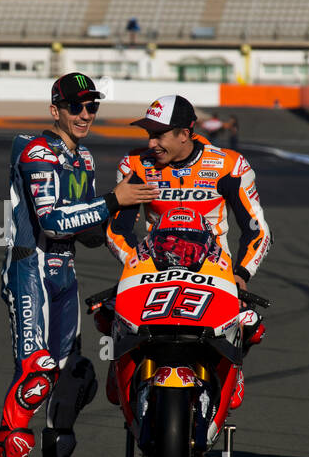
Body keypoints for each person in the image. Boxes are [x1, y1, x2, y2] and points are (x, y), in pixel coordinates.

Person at [0, 72, 158, 457]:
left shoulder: (83, 158)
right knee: (36, 371)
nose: (85, 114)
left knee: (73, 375)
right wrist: (111, 201)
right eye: (76, 106)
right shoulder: (35, 151)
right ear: (56, 110)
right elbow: (51, 221)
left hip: (65, 273)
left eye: (92, 106)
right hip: (30, 271)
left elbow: (85, 229)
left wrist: (136, 244)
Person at [104, 94, 271, 438]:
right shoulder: (136, 165)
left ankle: (232, 363)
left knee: (251, 322)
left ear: (185, 133)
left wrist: (240, 274)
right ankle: (123, 371)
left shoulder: (229, 165)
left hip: (214, 270)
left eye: (158, 134)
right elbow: (116, 229)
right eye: (148, 133)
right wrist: (134, 263)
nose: (151, 142)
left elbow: (257, 230)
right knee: (108, 313)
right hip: (152, 270)